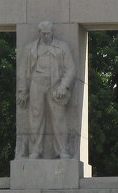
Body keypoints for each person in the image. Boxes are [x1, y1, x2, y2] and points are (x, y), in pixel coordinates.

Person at [16, 20, 75, 159]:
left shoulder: (62, 47)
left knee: (59, 118)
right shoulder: (30, 49)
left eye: (49, 33)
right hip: (36, 84)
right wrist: (23, 90)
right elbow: (22, 72)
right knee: (35, 118)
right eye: (44, 34)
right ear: (39, 33)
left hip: (55, 85)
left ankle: (62, 151)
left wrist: (63, 86)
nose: (47, 36)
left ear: (52, 32)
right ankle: (35, 151)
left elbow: (71, 69)